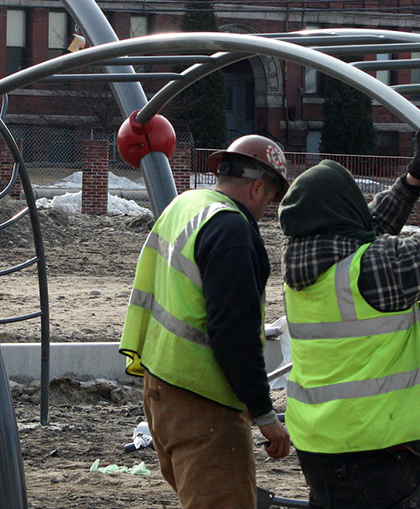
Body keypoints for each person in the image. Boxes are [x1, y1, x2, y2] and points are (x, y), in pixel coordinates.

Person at [279, 128, 420, 509]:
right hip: (383, 448)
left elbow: (366, 228)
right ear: (343, 211)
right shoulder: (371, 269)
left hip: (319, 445)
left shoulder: (304, 266)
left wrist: (412, 179)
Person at [119, 135, 291, 509]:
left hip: (161, 386)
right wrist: (264, 413)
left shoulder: (187, 204)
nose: (267, 208)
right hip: (205, 401)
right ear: (259, 186)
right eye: (270, 197)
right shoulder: (231, 230)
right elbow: (234, 333)